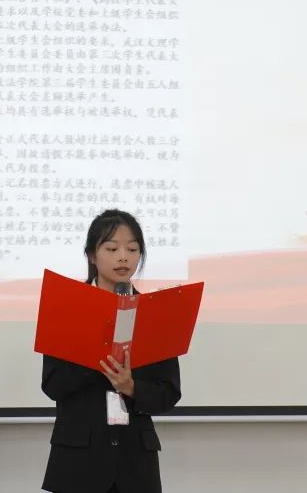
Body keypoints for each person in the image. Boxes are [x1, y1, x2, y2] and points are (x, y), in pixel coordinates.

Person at [41, 209, 181, 493]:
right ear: (92, 255)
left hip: (135, 465)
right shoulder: (68, 308)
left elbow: (168, 393)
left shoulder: (155, 314)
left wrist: (131, 387)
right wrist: (98, 355)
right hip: (78, 462)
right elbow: (53, 385)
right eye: (112, 248)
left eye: (133, 249)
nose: (123, 257)